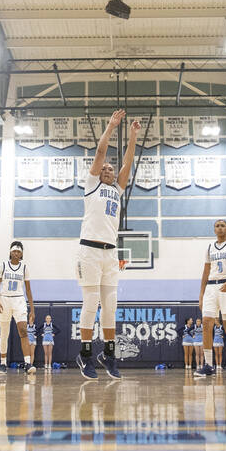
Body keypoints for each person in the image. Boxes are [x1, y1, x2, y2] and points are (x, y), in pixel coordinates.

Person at [75, 110, 140, 380]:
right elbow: (101, 152)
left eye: (111, 169)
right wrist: (112, 126)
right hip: (89, 250)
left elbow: (127, 162)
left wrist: (134, 136)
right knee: (90, 305)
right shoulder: (91, 185)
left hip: (110, 254)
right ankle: (86, 355)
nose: (108, 169)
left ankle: (109, 355)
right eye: (105, 169)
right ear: (97, 173)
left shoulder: (117, 189)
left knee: (110, 308)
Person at [196, 219, 226, 380]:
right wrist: (201, 294)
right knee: (206, 324)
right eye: (217, 225)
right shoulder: (209, 247)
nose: (220, 228)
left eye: (223, 225)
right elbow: (205, 272)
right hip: (211, 288)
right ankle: (209, 365)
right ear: (214, 229)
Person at [0, 241, 37, 375]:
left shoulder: (24, 268)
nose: (17, 253)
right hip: (4, 299)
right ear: (10, 252)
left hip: (19, 299)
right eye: (15, 251)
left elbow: (28, 290)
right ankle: (2, 364)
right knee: (4, 334)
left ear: (22, 254)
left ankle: (27, 363)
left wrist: (32, 309)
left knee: (23, 330)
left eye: (19, 252)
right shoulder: (2, 265)